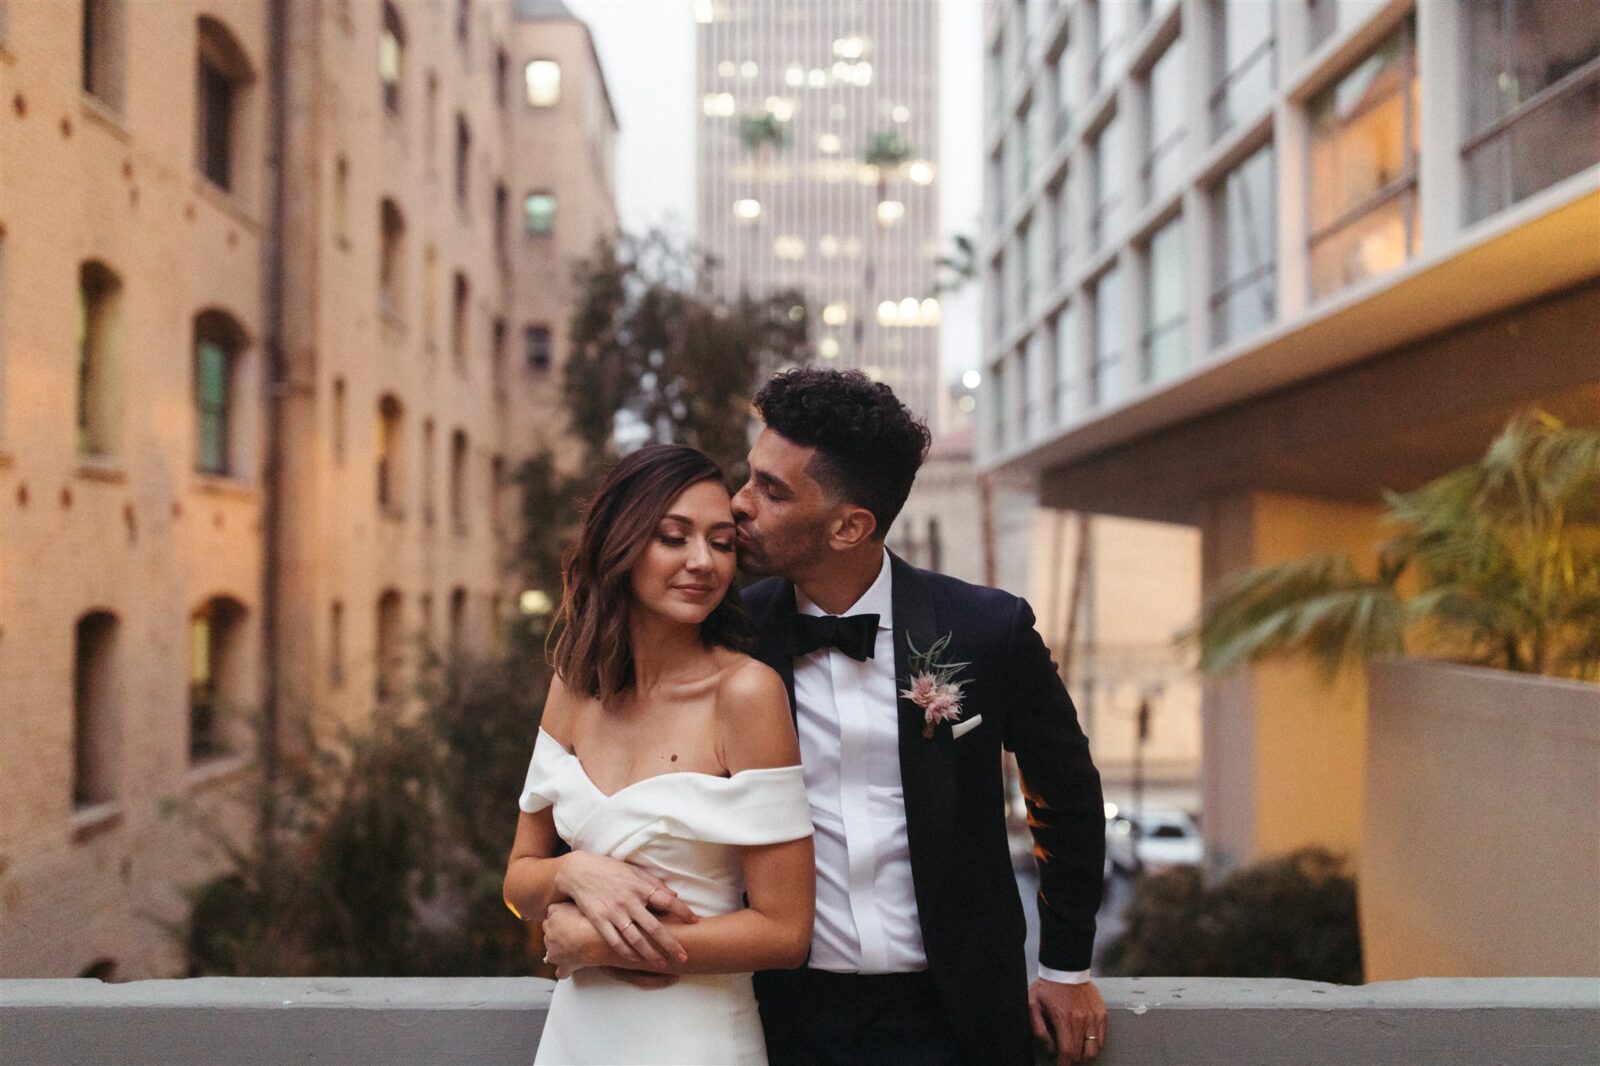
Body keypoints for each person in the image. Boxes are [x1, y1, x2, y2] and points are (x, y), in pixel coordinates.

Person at [730, 368, 1110, 1066]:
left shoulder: (987, 629)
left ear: (850, 526)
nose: (739, 504)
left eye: (771, 491)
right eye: (750, 477)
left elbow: (1068, 796)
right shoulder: (732, 636)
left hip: (953, 1016)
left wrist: (1065, 968)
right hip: (776, 1013)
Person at [503, 444, 816, 1065]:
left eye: (722, 542)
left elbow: (785, 933)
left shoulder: (746, 693)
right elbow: (520, 877)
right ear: (620, 544)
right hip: (577, 1037)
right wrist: (573, 873)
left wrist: (603, 944)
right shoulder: (572, 685)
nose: (703, 562)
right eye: (674, 538)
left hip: (695, 1038)